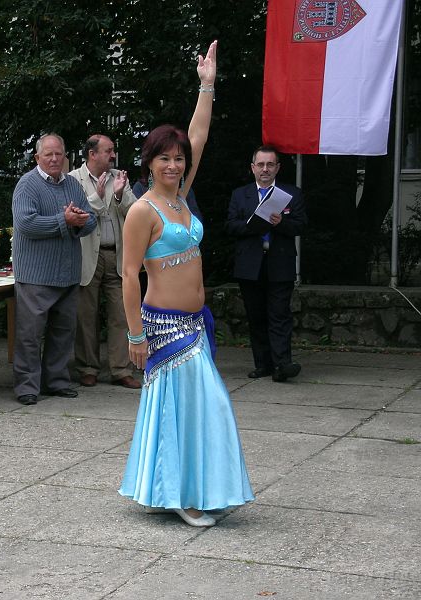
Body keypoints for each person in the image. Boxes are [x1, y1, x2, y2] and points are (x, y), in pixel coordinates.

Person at [118, 41, 254, 528]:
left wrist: (207, 85)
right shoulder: (143, 210)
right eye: (164, 159)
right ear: (149, 163)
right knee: (201, 405)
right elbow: (127, 274)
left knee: (192, 409)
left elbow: (198, 134)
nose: (174, 165)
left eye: (178, 159)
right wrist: (135, 335)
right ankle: (182, 494)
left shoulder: (181, 199)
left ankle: (188, 488)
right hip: (164, 326)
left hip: (195, 321)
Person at [12, 133, 97, 406]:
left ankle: (57, 381)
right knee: (30, 335)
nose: (54, 159)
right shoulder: (27, 185)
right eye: (48, 154)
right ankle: (27, 387)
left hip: (67, 273)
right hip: (35, 275)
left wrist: (81, 221)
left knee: (63, 332)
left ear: (65, 157)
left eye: (59, 154)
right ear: (37, 157)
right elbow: (26, 224)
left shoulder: (72, 184)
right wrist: (65, 220)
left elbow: (91, 219)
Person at [226, 145, 307, 382]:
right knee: (256, 317)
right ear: (252, 168)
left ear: (277, 168)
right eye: (260, 164)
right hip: (250, 265)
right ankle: (263, 365)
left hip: (280, 263)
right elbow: (230, 225)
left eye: (270, 164)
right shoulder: (240, 194)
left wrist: (281, 223)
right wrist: (252, 224)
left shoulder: (291, 194)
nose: (265, 169)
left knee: (279, 316)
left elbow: (301, 225)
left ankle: (282, 365)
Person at [68, 135, 140, 390]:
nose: (113, 155)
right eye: (108, 151)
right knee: (86, 315)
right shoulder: (73, 179)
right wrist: (98, 198)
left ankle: (121, 370)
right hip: (88, 255)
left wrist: (119, 196)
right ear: (92, 154)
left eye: (113, 151)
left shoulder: (119, 177)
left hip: (117, 254)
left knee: (122, 313)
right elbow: (77, 216)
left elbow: (135, 213)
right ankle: (88, 368)